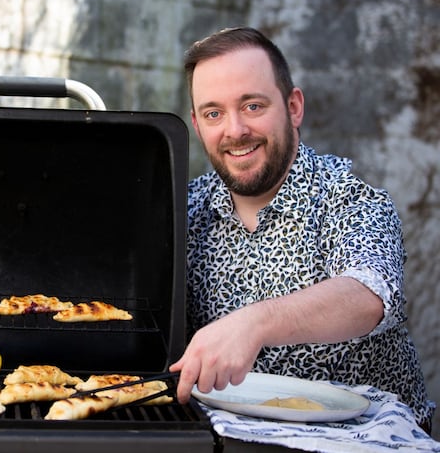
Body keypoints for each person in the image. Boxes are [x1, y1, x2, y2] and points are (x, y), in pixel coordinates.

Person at [168, 26, 435, 433]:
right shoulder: (183, 209)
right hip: (226, 438)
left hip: (361, 438)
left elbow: (369, 293)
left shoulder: (351, 198)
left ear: (293, 107)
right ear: (197, 123)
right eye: (213, 113)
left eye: (253, 106)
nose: (234, 130)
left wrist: (252, 324)